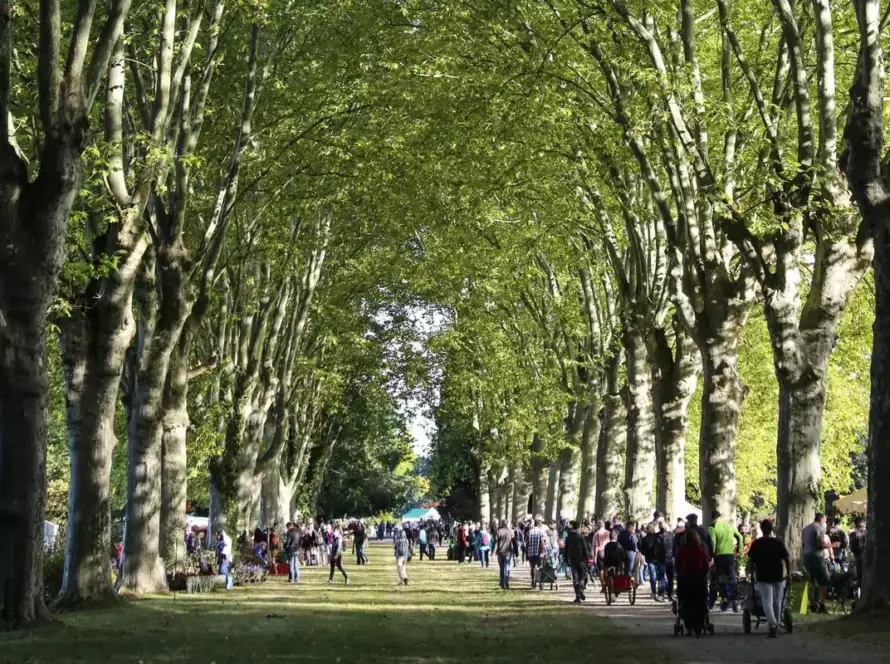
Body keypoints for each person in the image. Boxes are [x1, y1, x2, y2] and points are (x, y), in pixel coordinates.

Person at [747, 519, 791, 638]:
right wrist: (789, 574)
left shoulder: (756, 544)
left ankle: (773, 624)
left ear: (761, 529)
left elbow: (751, 561)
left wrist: (750, 574)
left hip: (763, 575)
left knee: (767, 601)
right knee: (778, 602)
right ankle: (775, 624)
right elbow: (786, 559)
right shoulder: (778, 543)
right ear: (772, 529)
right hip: (778, 575)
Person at [675, 529, 710, 637]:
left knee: (686, 602)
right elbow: (706, 566)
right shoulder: (701, 550)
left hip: (686, 578)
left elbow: (677, 564)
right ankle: (698, 626)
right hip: (699, 579)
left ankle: (689, 626)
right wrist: (703, 574)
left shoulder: (682, 550)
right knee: (699, 602)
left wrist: (680, 573)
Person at [708, 510, 743, 609]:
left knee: (716, 579)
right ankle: (734, 599)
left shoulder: (712, 528)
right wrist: (739, 550)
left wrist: (711, 556)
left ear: (712, 518)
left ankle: (713, 601)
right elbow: (740, 537)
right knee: (732, 578)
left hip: (719, 556)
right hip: (730, 556)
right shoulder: (729, 526)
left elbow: (712, 544)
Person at [801, 513, 829, 613]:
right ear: (821, 519)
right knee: (824, 580)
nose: (825, 523)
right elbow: (820, 544)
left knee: (812, 580)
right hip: (816, 556)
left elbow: (803, 545)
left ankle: (813, 603)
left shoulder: (806, 529)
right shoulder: (820, 528)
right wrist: (832, 545)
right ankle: (821, 605)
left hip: (806, 556)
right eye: (825, 520)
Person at [564, 521, 592, 602]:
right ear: (578, 528)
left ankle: (577, 596)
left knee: (575, 577)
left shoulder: (568, 538)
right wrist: (587, 559)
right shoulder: (581, 537)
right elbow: (584, 549)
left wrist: (566, 559)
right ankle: (581, 589)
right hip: (581, 559)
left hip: (572, 559)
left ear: (572, 527)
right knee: (582, 577)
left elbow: (566, 550)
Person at [641, 524, 666, 601]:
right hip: (660, 559)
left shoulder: (644, 539)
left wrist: (647, 555)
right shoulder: (658, 536)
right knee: (661, 576)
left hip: (650, 559)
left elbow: (642, 550)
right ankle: (661, 593)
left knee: (653, 576)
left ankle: (654, 592)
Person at [526, 518, 548, 587]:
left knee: (532, 567)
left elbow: (526, 543)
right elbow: (543, 542)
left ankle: (533, 581)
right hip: (539, 553)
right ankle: (540, 582)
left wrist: (526, 553)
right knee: (540, 567)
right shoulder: (541, 532)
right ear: (539, 524)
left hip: (531, 553)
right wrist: (544, 551)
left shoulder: (529, 532)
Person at [496, 521, 514, 589]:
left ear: (501, 524)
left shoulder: (499, 531)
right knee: (507, 567)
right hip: (508, 552)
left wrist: (493, 551)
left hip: (500, 552)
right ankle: (506, 582)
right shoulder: (511, 531)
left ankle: (502, 582)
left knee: (501, 568)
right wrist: (516, 551)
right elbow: (514, 541)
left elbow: (495, 542)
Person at [849, 516, 866, 580]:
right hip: (870, 556)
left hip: (858, 555)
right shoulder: (870, 532)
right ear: (863, 523)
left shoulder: (853, 534)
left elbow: (851, 547)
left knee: (860, 576)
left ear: (855, 524)